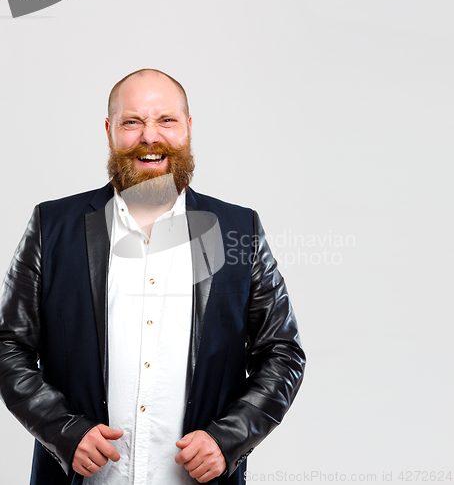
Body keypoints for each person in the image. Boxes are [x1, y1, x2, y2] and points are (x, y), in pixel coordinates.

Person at [0, 69, 305, 485]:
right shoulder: (53, 226)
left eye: (166, 120)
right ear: (109, 131)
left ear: (188, 128)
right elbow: (8, 347)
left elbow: (283, 353)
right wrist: (63, 431)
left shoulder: (238, 230)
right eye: (132, 122)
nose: (149, 136)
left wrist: (229, 439)